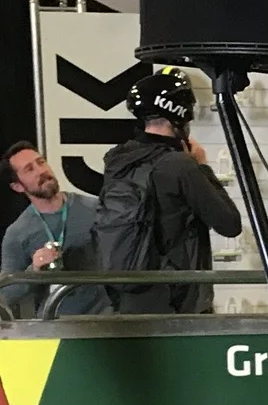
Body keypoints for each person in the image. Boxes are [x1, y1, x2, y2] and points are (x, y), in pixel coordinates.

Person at [97, 69, 243, 313]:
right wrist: (202, 166)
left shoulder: (118, 159)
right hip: (177, 302)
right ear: (181, 113)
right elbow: (230, 224)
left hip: (131, 296)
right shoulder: (179, 165)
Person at [0, 142, 110, 317]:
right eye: (29, 169)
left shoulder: (96, 208)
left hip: (107, 316)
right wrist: (34, 270)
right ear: (18, 187)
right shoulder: (17, 233)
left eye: (41, 162)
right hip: (56, 323)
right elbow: (6, 294)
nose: (41, 171)